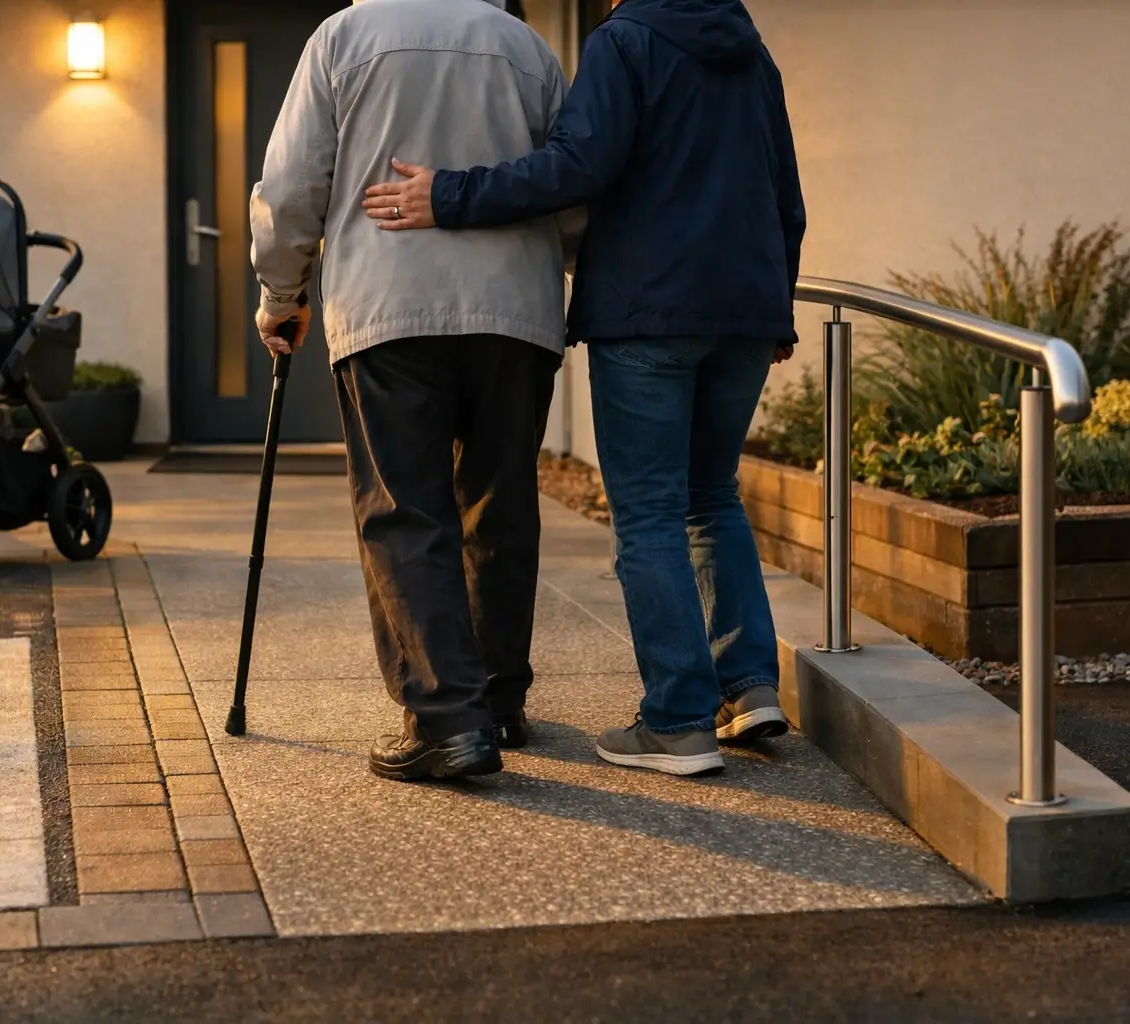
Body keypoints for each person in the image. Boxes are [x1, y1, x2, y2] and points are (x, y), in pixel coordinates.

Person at [361, 0, 805, 777]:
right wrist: (775, 307)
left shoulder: (624, 41)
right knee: (712, 495)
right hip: (744, 311)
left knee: (652, 514)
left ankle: (676, 721)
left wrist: (450, 195)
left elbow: (575, 167)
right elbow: (787, 198)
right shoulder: (752, 52)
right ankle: (748, 686)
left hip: (649, 313)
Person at [249, 0, 580, 781]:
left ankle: (446, 717)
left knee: (405, 509)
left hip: (389, 311)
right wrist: (566, 269)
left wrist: (280, 292)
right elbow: (571, 190)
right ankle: (497, 700)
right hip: (514, 314)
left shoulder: (343, 38)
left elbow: (294, 184)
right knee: (500, 500)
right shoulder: (525, 46)